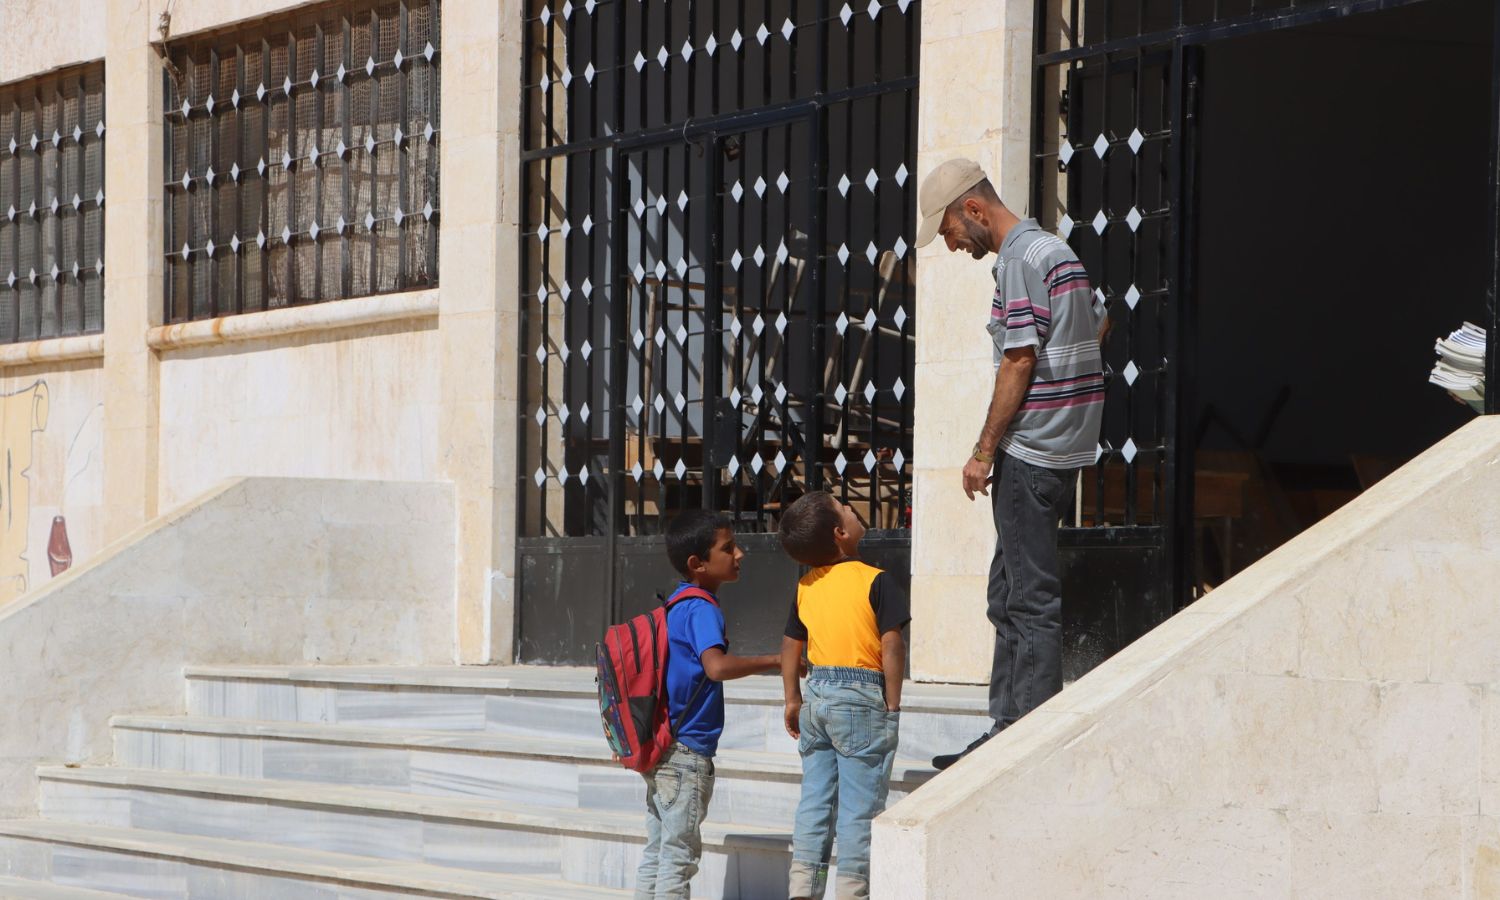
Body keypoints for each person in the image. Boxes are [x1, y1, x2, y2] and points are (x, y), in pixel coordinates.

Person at [914, 158, 1107, 771]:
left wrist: (982, 450)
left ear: (974, 210)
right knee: (1009, 590)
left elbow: (1019, 359)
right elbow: (1099, 322)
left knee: (1026, 598)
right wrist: (1070, 390)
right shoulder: (1057, 252)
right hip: (1062, 444)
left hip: (1031, 450)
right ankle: (1006, 726)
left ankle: (1021, 740)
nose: (950, 244)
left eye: (947, 230)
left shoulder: (1020, 258)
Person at [635, 510, 782, 900]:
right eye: (728, 548)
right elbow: (715, 667)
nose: (740, 554)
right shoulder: (702, 608)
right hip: (687, 754)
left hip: (664, 747)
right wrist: (776, 660)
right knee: (679, 856)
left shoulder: (677, 603)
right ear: (697, 564)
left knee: (659, 851)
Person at [778, 491, 910, 900]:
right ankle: (852, 893)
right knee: (859, 809)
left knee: (815, 802)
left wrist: (792, 699)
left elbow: (790, 646)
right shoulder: (876, 579)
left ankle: (806, 889)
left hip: (816, 696)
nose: (854, 510)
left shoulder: (806, 586)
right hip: (862, 695)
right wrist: (892, 701)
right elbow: (892, 645)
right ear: (841, 533)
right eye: (847, 509)